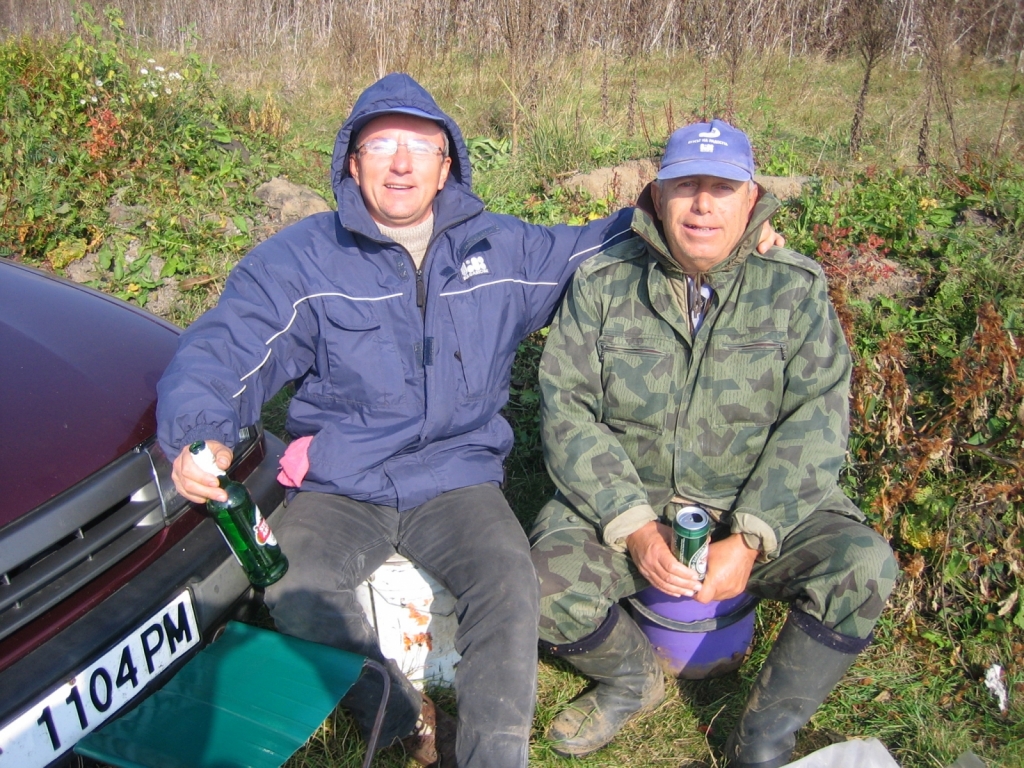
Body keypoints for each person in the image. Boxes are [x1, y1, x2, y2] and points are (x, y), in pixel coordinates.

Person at [157, 74, 779, 767]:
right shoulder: (301, 260)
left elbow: (595, 244)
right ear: (352, 163)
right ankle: (405, 720)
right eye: (381, 146)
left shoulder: (500, 249)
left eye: (421, 148)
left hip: (458, 479)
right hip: (344, 481)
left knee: (509, 585)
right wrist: (200, 429)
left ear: (446, 163)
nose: (401, 164)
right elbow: (226, 345)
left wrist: (720, 232)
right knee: (293, 582)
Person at [531, 119, 898, 767]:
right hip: (633, 499)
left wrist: (752, 536)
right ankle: (632, 680)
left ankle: (761, 741)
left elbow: (816, 421)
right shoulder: (602, 284)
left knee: (863, 568)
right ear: (658, 195)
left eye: (722, 188)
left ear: (751, 199)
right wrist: (634, 526)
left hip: (753, 497)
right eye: (685, 186)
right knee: (534, 586)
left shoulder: (794, 288)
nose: (702, 204)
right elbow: (568, 412)